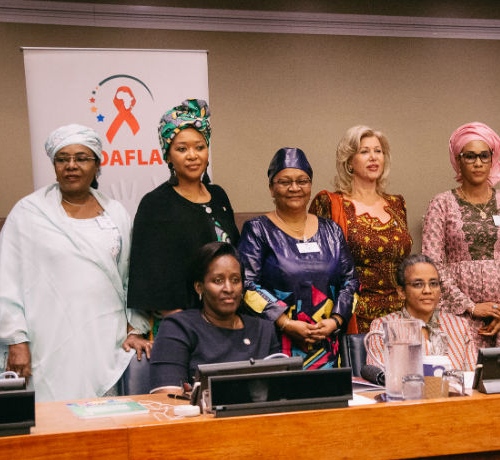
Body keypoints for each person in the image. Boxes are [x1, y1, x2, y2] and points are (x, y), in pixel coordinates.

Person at [0, 124, 150, 402]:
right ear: (55, 165)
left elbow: (132, 276)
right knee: (50, 424)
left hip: (104, 340)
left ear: (97, 164)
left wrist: (135, 327)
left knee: (101, 421)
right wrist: (16, 341)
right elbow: (6, 280)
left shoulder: (116, 213)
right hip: (45, 339)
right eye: (62, 159)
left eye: (81, 158)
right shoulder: (28, 212)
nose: (71, 166)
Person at [422, 122, 500, 348]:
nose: (478, 163)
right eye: (470, 156)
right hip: (459, 315)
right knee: (463, 379)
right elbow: (433, 264)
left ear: (493, 159)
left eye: (484, 156)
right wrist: (470, 306)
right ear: (458, 160)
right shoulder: (441, 203)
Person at [238, 147, 359, 369]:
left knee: (330, 402)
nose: (295, 188)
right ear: (271, 189)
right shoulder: (258, 231)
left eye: (302, 181)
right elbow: (246, 285)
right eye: (285, 182)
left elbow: (350, 282)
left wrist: (336, 321)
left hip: (327, 347)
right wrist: (284, 322)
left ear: (310, 185)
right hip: (276, 346)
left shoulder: (331, 231)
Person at [128, 99, 239, 332]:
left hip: (228, 319)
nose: (192, 155)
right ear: (167, 156)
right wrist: (189, 326)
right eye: (181, 149)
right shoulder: (155, 204)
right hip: (181, 326)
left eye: (199, 147)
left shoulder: (219, 196)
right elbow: (149, 276)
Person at [309, 125, 412, 334]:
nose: (373, 157)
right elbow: (318, 267)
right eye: (364, 151)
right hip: (353, 316)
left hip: (399, 316)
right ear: (349, 162)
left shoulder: (397, 204)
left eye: (378, 151)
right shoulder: (330, 203)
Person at [149, 242, 280, 394]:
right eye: (218, 281)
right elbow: (167, 397)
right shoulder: (178, 327)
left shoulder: (264, 330)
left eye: (235, 280)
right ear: (199, 287)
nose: (229, 289)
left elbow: (279, 394)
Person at [365, 254, 476, 371]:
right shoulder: (384, 327)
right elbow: (380, 379)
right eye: (418, 284)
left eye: (433, 284)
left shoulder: (459, 326)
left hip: (455, 389)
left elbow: (473, 378)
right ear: (401, 292)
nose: (427, 290)